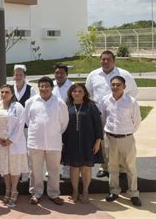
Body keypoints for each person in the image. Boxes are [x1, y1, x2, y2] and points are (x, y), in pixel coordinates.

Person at [85, 50, 138, 178]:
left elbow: (133, 91)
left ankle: (122, 168)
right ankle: (105, 167)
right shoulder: (93, 75)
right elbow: (89, 92)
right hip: (99, 113)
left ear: (114, 60)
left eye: (108, 59)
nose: (106, 62)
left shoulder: (124, 74)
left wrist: (120, 103)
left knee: (119, 141)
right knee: (103, 141)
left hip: (118, 113)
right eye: (103, 59)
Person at [25, 76, 68, 206]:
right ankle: (36, 193)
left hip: (54, 142)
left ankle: (54, 194)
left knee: (54, 170)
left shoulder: (59, 103)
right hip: (35, 142)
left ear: (52, 87)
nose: (44, 89)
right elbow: (28, 121)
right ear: (38, 88)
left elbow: (64, 123)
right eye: (41, 86)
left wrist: (52, 132)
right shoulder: (30, 102)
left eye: (46, 86)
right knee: (35, 170)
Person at [102, 76, 142, 207]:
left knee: (130, 167)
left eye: (118, 85)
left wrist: (127, 133)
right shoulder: (106, 100)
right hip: (110, 138)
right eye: (113, 84)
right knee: (112, 166)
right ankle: (114, 191)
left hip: (126, 138)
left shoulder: (131, 101)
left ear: (124, 87)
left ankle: (133, 193)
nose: (115, 87)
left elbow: (137, 121)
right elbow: (104, 117)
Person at [61, 83, 103, 203]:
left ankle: (85, 191)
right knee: (74, 168)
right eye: (74, 91)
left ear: (84, 93)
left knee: (86, 168)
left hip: (88, 141)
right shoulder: (66, 106)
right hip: (71, 141)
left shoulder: (91, 106)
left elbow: (98, 125)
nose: (77, 93)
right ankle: (75, 191)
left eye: (80, 91)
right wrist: (62, 141)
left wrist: (97, 142)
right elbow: (62, 124)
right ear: (71, 93)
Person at [0, 84, 28, 207]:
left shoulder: (18, 107)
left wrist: (10, 140)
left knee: (14, 168)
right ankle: (7, 190)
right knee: (5, 168)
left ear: (12, 94)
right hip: (0, 144)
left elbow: (20, 125)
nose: (4, 94)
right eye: (2, 92)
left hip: (14, 144)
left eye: (7, 92)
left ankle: (14, 190)